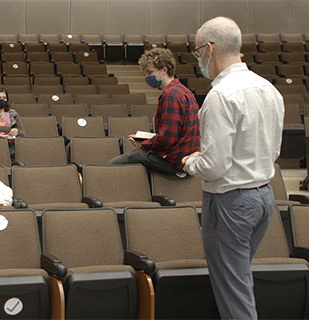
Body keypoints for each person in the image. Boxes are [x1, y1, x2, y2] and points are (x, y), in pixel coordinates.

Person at [182, 17, 284, 319]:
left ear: (209, 49)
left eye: (198, 51)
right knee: (237, 282)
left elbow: (214, 166)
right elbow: (273, 151)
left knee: (234, 292)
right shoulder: (268, 89)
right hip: (263, 198)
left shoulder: (220, 96)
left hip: (231, 203)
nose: (199, 58)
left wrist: (191, 162)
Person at [108, 48, 200, 176]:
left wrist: (145, 144)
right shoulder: (185, 91)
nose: (147, 77)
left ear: (164, 70)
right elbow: (174, 133)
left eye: (149, 72)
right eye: (145, 74)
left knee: (112, 165)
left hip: (174, 161)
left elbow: (167, 139)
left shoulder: (171, 95)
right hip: (185, 156)